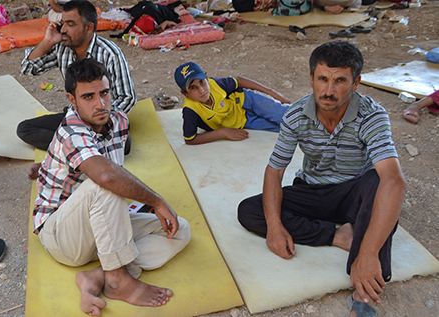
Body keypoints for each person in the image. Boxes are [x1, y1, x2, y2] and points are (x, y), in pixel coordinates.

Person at [237, 41, 406, 317]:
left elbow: (394, 181)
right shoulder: (295, 115)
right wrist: (275, 226)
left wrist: (368, 253)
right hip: (313, 190)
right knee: (250, 210)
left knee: (379, 184)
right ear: (312, 79)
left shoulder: (372, 116)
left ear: (356, 83)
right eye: (323, 79)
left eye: (340, 81)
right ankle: (341, 235)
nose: (328, 91)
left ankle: (365, 294)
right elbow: (275, 171)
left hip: (355, 192)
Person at [31, 58, 190, 316]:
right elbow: (107, 177)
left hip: (99, 225)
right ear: (72, 100)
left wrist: (153, 206)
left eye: (104, 93)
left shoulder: (119, 121)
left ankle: (96, 275)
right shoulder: (71, 131)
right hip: (61, 235)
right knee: (107, 184)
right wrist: (157, 202)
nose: (100, 104)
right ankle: (117, 281)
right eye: (88, 97)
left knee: (179, 230)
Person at [18, 0, 135, 151]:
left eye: (70, 24)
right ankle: (87, 148)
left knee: (125, 144)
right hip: (75, 116)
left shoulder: (110, 53)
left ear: (88, 28)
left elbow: (127, 98)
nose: (64, 30)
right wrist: (48, 41)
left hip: (102, 117)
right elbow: (28, 68)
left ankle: (74, 146)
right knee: (25, 129)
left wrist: (99, 118)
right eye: (63, 23)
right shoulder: (62, 47)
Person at [174, 62, 290, 145]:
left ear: (207, 79)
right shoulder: (190, 110)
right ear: (185, 94)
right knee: (285, 127)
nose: (202, 90)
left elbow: (239, 81)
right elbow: (190, 139)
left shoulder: (215, 84)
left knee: (283, 114)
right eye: (193, 87)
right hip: (244, 121)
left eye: (202, 82)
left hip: (247, 101)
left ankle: (305, 114)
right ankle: (306, 128)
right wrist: (222, 132)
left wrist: (273, 93)